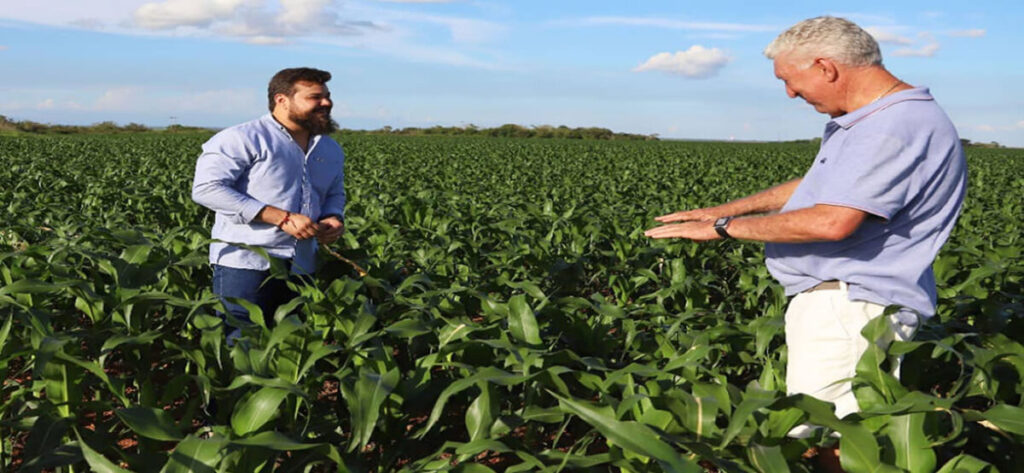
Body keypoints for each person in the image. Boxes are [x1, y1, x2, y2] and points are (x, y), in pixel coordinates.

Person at [645, 14, 967, 449]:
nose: (790, 93)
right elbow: (824, 187)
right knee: (834, 433)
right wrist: (720, 211)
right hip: (849, 304)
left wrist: (723, 229)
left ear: (826, 68)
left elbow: (833, 220)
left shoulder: (893, 125)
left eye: (789, 80)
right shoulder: (879, 119)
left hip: (851, 306)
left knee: (827, 439)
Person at [192, 67, 346, 338]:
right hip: (246, 264)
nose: (326, 102)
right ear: (282, 100)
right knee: (241, 342)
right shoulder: (242, 138)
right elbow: (207, 189)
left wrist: (333, 217)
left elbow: (334, 191)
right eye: (315, 97)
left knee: (291, 343)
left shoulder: (329, 147)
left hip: (302, 264)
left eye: (327, 96)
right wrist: (280, 218)